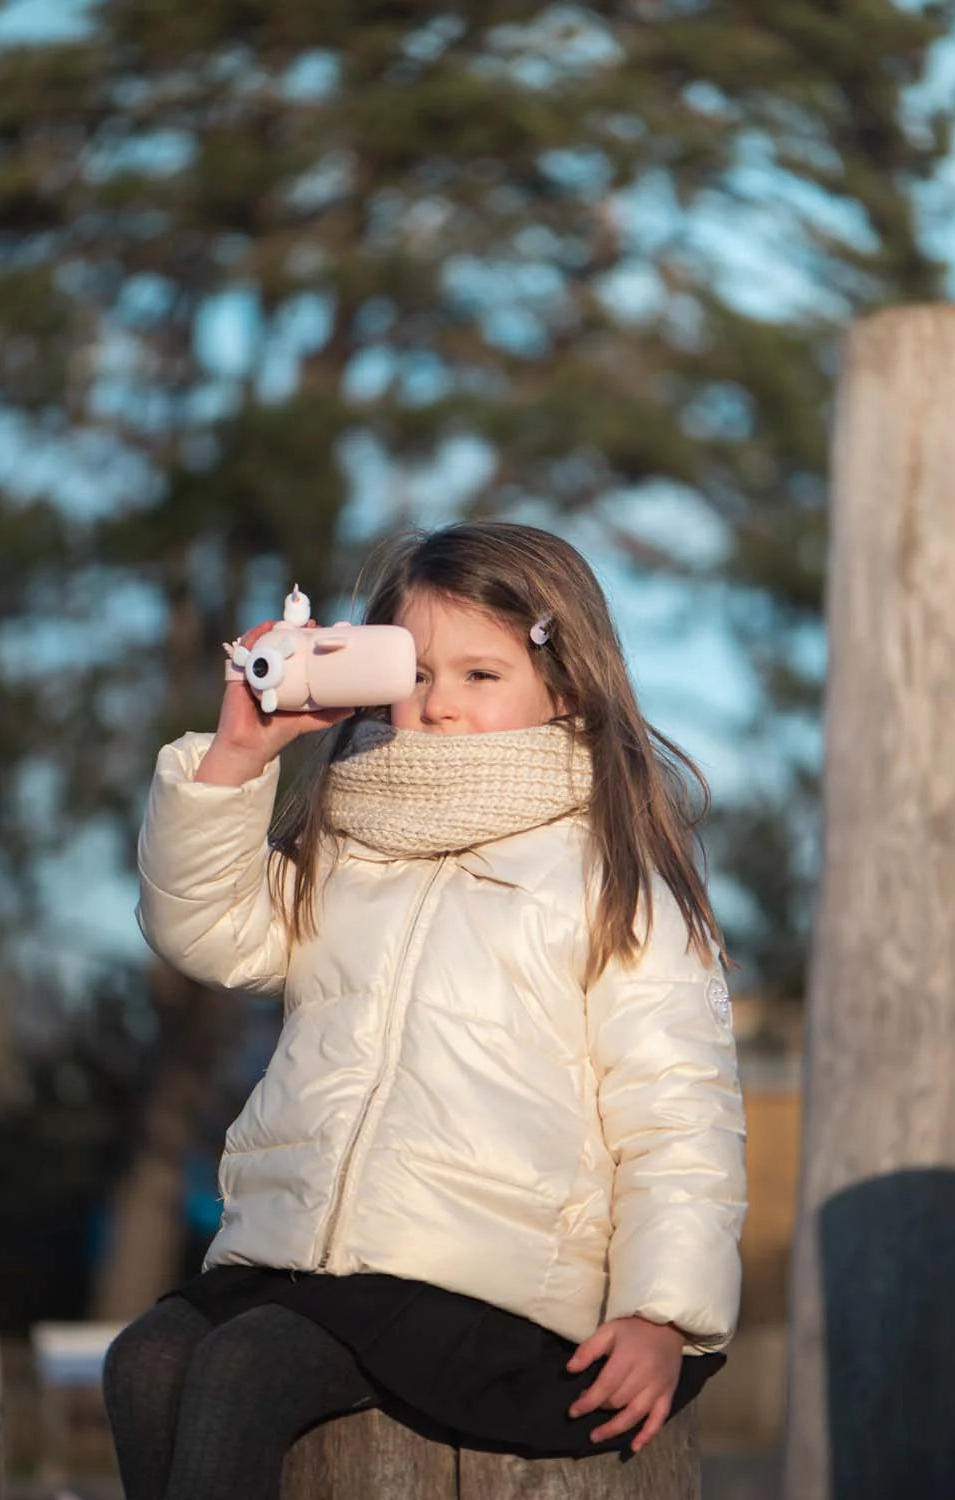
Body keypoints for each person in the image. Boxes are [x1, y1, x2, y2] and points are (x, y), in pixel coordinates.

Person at [103, 521, 747, 1500]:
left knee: (248, 1368)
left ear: (563, 686)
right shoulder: (351, 844)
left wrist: (663, 1315)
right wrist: (237, 757)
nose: (439, 704)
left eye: (480, 676)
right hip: (303, 1258)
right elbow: (205, 927)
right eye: (414, 674)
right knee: (145, 1360)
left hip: (486, 1286)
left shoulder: (608, 884)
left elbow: (678, 1122)